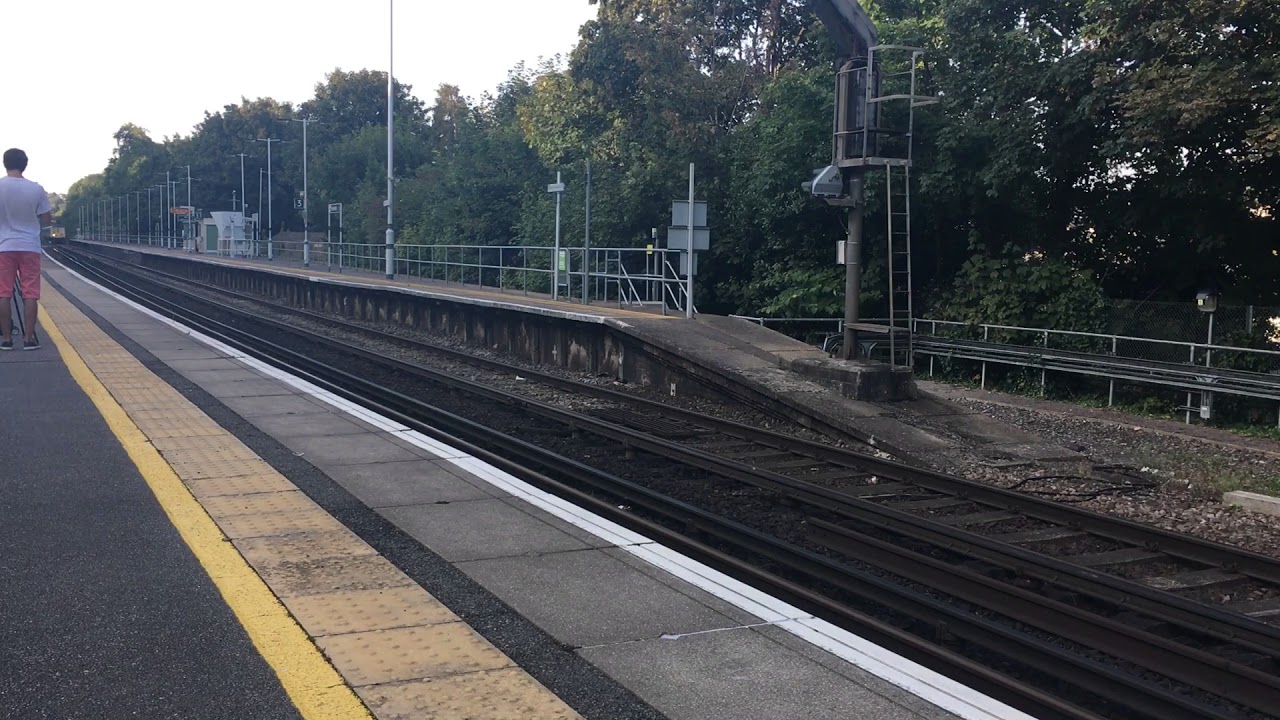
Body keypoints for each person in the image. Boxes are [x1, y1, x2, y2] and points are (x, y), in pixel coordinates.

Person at [0, 148, 52, 351]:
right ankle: (29, 338)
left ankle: (6, 338)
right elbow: (46, 219)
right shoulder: (36, 189)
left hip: (4, 246)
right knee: (30, 293)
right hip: (30, 246)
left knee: (3, 292)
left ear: (5, 163)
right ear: (25, 164)